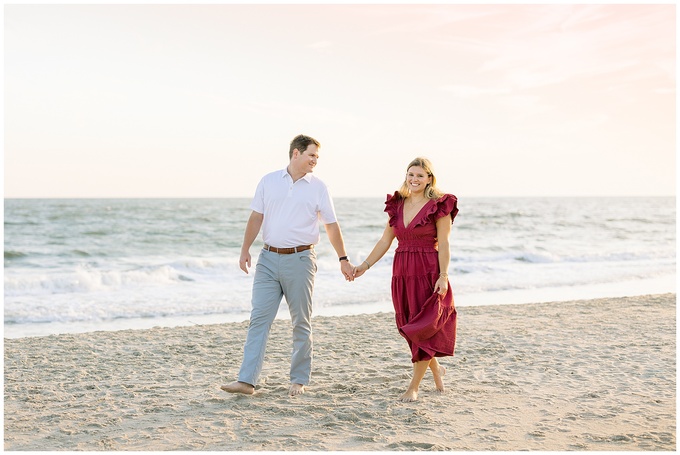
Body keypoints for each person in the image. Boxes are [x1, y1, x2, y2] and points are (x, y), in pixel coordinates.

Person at [221, 134, 355, 397]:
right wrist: (244, 249)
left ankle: (299, 379)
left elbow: (331, 225)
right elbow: (256, 217)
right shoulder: (268, 181)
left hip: (301, 260)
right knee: (259, 319)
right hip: (268, 259)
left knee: (300, 322)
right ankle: (247, 381)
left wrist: (343, 259)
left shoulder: (319, 187)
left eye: (317, 156)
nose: (315, 160)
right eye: (311, 155)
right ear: (296, 153)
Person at [353, 157, 458, 402]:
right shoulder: (398, 204)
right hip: (402, 270)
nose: (414, 179)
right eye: (411, 174)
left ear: (430, 178)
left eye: (420, 175)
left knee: (423, 326)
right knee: (409, 326)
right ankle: (437, 370)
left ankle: (414, 387)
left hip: (428, 270)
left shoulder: (439, 205)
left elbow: (444, 243)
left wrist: (443, 276)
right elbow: (384, 241)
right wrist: (364, 266)